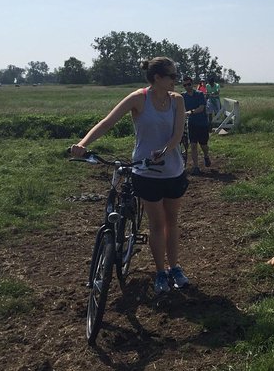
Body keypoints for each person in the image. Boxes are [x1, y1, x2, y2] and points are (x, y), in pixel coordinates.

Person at [70, 57, 190, 295]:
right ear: (158, 78)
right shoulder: (138, 98)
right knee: (157, 224)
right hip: (145, 172)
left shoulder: (177, 100)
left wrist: (165, 151)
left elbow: (177, 134)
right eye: (172, 76)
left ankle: (174, 267)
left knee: (172, 222)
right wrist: (82, 144)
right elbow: (107, 122)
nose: (176, 80)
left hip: (173, 170)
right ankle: (160, 272)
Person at [181, 76, 211, 174]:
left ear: (192, 84)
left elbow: (201, 108)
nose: (187, 87)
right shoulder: (183, 96)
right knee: (193, 145)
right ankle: (196, 167)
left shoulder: (199, 94)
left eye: (188, 84)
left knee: (203, 145)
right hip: (191, 124)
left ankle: (206, 156)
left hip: (202, 123)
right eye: (184, 85)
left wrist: (190, 112)